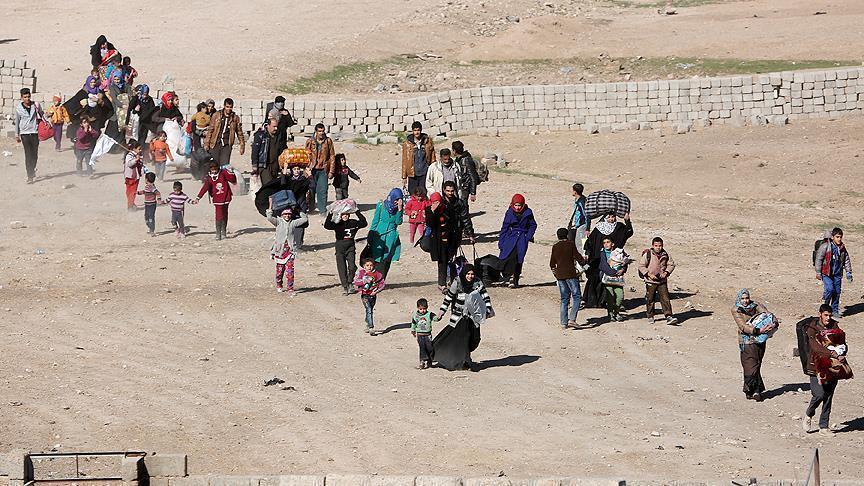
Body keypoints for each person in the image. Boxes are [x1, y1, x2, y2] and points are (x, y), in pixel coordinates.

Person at [433, 264, 494, 371]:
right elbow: (449, 297)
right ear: (464, 274)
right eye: (468, 274)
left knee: (475, 339)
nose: (470, 276)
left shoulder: (477, 282)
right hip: (460, 315)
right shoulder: (458, 282)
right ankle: (465, 361)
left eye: (472, 274)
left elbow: (485, 296)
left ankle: (464, 358)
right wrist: (442, 311)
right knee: (464, 338)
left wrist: (488, 309)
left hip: (474, 316)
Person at [802, 304, 846, 433]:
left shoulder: (835, 326)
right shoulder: (812, 328)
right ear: (820, 314)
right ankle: (809, 414)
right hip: (815, 366)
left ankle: (824, 426)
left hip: (832, 365)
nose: (828, 318)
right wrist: (833, 353)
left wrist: (842, 352)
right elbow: (815, 347)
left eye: (830, 315)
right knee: (819, 394)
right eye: (826, 315)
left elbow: (842, 342)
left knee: (828, 395)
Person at [731, 289, 777, 402]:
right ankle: (754, 390)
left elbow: (768, 314)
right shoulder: (736, 310)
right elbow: (743, 326)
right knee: (749, 366)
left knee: (756, 364)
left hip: (760, 340)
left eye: (747, 298)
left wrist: (772, 323)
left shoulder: (756, 305)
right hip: (746, 341)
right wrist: (758, 330)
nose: (745, 301)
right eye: (743, 298)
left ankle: (753, 390)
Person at [583, 213, 633, 308]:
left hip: (613, 258)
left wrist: (627, 221)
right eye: (609, 217)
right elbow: (590, 242)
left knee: (610, 279)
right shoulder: (599, 227)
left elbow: (628, 232)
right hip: (597, 258)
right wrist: (588, 253)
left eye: (613, 216)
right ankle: (591, 301)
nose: (611, 219)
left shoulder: (618, 227)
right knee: (594, 278)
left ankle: (608, 302)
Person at [324, 207, 368, 295]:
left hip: (350, 246)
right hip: (340, 246)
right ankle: (345, 286)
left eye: (347, 214)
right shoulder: (337, 223)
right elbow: (327, 226)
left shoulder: (353, 223)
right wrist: (330, 214)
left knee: (352, 266)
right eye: (343, 214)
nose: (345, 216)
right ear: (340, 215)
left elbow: (364, 223)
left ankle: (350, 281)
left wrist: (357, 212)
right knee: (341, 267)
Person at [426, 187, 462, 292]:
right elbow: (430, 224)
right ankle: (442, 284)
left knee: (450, 259)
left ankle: (452, 281)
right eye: (434, 202)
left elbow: (453, 222)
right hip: (437, 240)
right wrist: (433, 212)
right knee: (442, 261)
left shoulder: (448, 208)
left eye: (438, 201)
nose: (436, 204)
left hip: (449, 238)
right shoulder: (429, 210)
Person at [266, 204, 308, 295]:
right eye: (285, 214)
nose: (287, 216)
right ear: (282, 215)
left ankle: (290, 288)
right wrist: (270, 206)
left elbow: (305, 219)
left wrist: (299, 211)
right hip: (279, 251)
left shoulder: (293, 223)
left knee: (290, 272)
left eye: (289, 214)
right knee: (279, 272)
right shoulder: (278, 222)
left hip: (290, 251)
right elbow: (269, 218)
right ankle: (279, 285)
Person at [550, 228, 588, 328]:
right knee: (576, 296)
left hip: (560, 276)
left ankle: (563, 322)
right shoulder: (570, 244)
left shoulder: (555, 246)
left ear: (558, 236)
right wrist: (587, 265)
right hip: (571, 274)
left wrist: (556, 274)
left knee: (564, 298)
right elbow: (579, 258)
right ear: (567, 235)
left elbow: (552, 263)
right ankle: (572, 319)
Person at [498, 194, 537, 288]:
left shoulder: (528, 212)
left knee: (519, 259)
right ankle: (509, 277)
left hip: (522, 239)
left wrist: (528, 236)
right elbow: (505, 227)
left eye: (519, 205)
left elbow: (533, 225)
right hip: (510, 238)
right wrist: (501, 241)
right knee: (508, 257)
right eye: (516, 205)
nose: (518, 207)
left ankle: (515, 278)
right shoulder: (509, 212)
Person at [638, 237, 679, 325]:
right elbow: (641, 266)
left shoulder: (665, 254)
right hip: (650, 281)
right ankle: (650, 315)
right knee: (650, 299)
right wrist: (649, 274)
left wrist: (666, 273)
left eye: (660, 246)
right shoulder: (648, 254)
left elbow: (671, 264)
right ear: (653, 245)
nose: (658, 248)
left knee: (665, 299)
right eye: (656, 246)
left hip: (662, 281)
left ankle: (668, 316)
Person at [367, 188, 404, 279]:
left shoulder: (399, 208)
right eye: (396, 199)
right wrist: (371, 234)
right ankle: (374, 279)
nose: (397, 202)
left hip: (391, 236)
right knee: (377, 257)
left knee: (387, 259)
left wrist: (399, 210)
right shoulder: (381, 205)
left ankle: (382, 280)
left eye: (399, 199)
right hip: (379, 235)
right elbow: (375, 221)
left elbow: (398, 222)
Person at [814, 228, 853, 316]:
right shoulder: (825, 246)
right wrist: (818, 272)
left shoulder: (842, 248)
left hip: (837, 274)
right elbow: (819, 259)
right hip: (826, 273)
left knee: (837, 292)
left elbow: (846, 260)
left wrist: (848, 272)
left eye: (840, 237)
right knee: (829, 289)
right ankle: (825, 306)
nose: (839, 239)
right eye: (837, 237)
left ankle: (834, 310)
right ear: (832, 237)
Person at [196, 161, 237, 240]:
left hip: (226, 197)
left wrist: (231, 172)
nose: (214, 171)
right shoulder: (209, 177)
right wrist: (198, 197)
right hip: (217, 199)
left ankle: (223, 232)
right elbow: (205, 187)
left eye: (215, 169)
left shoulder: (223, 173)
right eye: (212, 170)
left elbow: (232, 179)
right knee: (219, 215)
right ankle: (218, 233)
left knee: (225, 214)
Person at [14, 88, 45, 184]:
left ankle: (32, 169)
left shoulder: (35, 105)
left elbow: (42, 115)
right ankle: (30, 176)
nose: (27, 99)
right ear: (21, 97)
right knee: (28, 155)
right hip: (24, 134)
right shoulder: (18, 108)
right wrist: (17, 134)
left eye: (28, 96)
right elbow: (17, 121)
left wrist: (47, 118)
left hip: (35, 132)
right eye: (25, 97)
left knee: (34, 155)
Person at [205, 98, 244, 166]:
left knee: (224, 165)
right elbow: (210, 130)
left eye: (230, 107)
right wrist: (207, 143)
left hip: (227, 145)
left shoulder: (235, 118)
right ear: (224, 106)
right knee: (214, 164)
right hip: (215, 143)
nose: (229, 109)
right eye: (227, 107)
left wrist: (242, 145)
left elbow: (239, 133)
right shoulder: (216, 115)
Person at [305, 123, 335, 213]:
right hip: (312, 169)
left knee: (323, 190)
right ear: (316, 131)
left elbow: (332, 156)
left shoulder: (328, 141)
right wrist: (306, 169)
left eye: (323, 131)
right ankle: (311, 208)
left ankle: (322, 210)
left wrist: (331, 171)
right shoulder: (310, 141)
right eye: (319, 131)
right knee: (311, 189)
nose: (321, 133)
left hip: (323, 169)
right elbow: (306, 155)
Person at [599, 237, 630, 321]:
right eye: (604, 243)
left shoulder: (619, 252)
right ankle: (610, 314)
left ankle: (616, 312)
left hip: (618, 279)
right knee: (610, 296)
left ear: (612, 244)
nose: (606, 244)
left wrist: (623, 270)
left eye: (608, 242)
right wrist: (614, 272)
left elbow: (625, 262)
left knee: (620, 296)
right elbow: (603, 265)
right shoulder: (602, 253)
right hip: (608, 278)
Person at [401, 121, 435, 197]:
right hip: (412, 174)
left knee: (424, 194)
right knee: (413, 195)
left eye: (418, 130)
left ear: (421, 130)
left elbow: (432, 157)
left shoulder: (427, 142)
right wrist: (404, 177)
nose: (417, 132)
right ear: (412, 131)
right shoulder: (407, 144)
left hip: (424, 173)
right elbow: (405, 160)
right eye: (415, 130)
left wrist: (433, 172)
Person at [353, 258, 385, 335]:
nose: (369, 267)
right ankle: (371, 327)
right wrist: (364, 281)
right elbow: (355, 282)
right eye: (367, 265)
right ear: (364, 266)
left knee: (370, 310)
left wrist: (376, 291)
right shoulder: (361, 273)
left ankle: (367, 321)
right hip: (364, 295)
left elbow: (382, 284)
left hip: (373, 295)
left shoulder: (377, 274)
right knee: (369, 309)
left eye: (371, 265)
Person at [252, 118, 286, 187]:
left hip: (275, 165)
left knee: (274, 185)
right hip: (264, 165)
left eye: (277, 126)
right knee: (268, 185)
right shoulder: (260, 135)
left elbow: (283, 148)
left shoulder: (279, 135)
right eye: (274, 126)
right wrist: (254, 164)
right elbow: (255, 150)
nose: (276, 128)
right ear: (268, 126)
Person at [411, 298, 437, 369]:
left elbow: (435, 318)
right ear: (418, 308)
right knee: (422, 347)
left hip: (428, 335)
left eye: (424, 309)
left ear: (427, 307)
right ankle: (422, 361)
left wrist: (439, 317)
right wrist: (413, 330)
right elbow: (413, 323)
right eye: (421, 309)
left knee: (430, 348)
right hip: (420, 335)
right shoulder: (415, 315)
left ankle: (430, 360)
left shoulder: (429, 314)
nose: (422, 310)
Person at [137, 172, 162, 236]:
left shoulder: (152, 187)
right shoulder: (147, 186)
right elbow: (145, 191)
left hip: (152, 204)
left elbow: (158, 193)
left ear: (146, 179)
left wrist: (159, 199)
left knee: (151, 217)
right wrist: (139, 193)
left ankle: (152, 230)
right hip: (147, 204)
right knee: (146, 216)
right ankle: (150, 227)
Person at [123, 140, 144, 210]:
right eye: (139, 149)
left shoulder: (138, 155)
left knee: (131, 191)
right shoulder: (129, 156)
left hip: (135, 176)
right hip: (131, 176)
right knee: (130, 192)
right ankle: (130, 206)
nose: (140, 150)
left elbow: (141, 164)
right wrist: (136, 159)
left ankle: (131, 203)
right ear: (134, 149)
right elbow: (129, 164)